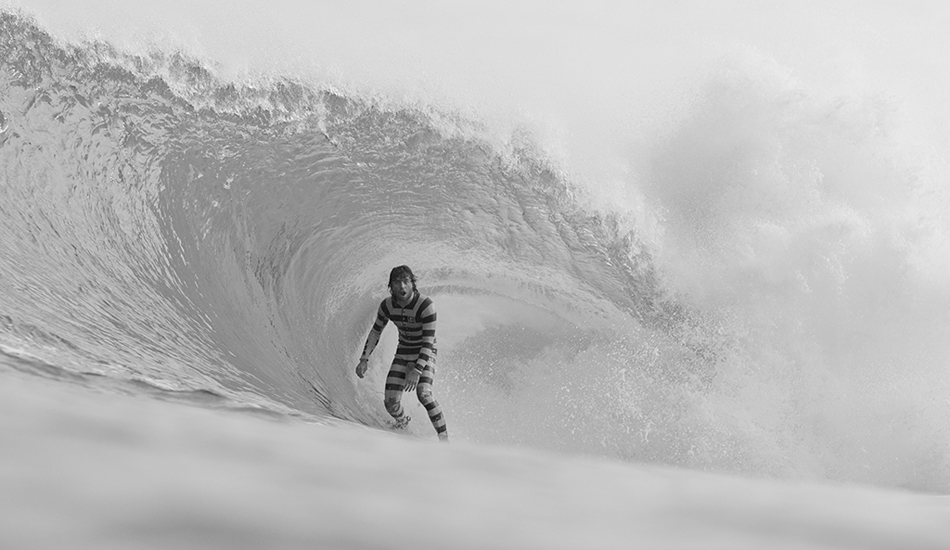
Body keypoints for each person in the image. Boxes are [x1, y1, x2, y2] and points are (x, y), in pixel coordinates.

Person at [356, 265, 449, 441]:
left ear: (413, 284)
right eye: (397, 282)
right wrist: (364, 359)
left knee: (423, 394)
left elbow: (428, 341)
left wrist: (417, 370)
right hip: (404, 350)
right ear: (391, 286)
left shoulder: (426, 306)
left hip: (425, 350)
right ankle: (402, 422)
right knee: (390, 404)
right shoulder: (387, 306)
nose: (402, 287)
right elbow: (376, 331)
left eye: (406, 281)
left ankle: (444, 438)